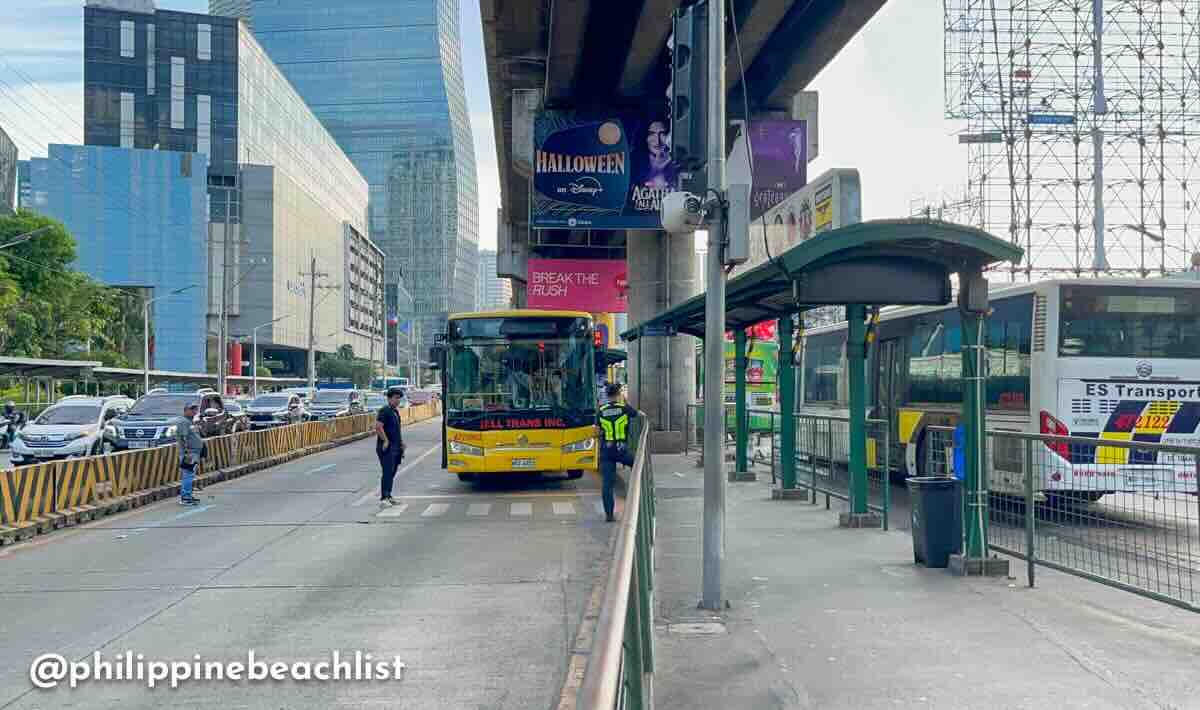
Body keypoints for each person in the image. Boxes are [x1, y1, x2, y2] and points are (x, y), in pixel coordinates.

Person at [597, 383, 637, 522]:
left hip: (607, 451)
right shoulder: (624, 408)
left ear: (607, 396)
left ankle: (609, 514)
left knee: (607, 483)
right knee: (639, 464)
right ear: (618, 394)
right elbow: (635, 414)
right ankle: (639, 492)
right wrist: (624, 401)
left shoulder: (601, 410)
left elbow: (598, 430)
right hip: (621, 450)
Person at [375, 386, 406, 506]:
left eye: (399, 398)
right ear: (389, 398)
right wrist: (385, 441)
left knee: (392, 472)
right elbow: (378, 426)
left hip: (396, 447)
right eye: (395, 398)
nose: (398, 401)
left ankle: (389, 495)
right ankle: (384, 498)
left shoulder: (395, 412)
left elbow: (397, 430)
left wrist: (401, 443)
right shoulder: (385, 410)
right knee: (387, 472)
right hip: (387, 447)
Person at [175, 401, 204, 506]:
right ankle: (185, 497)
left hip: (194, 452)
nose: (194, 411)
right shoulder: (184, 422)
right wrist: (187, 452)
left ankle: (188, 495)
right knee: (188, 475)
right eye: (191, 409)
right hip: (189, 453)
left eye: (195, 409)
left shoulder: (191, 422)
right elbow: (183, 438)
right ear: (185, 410)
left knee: (190, 474)